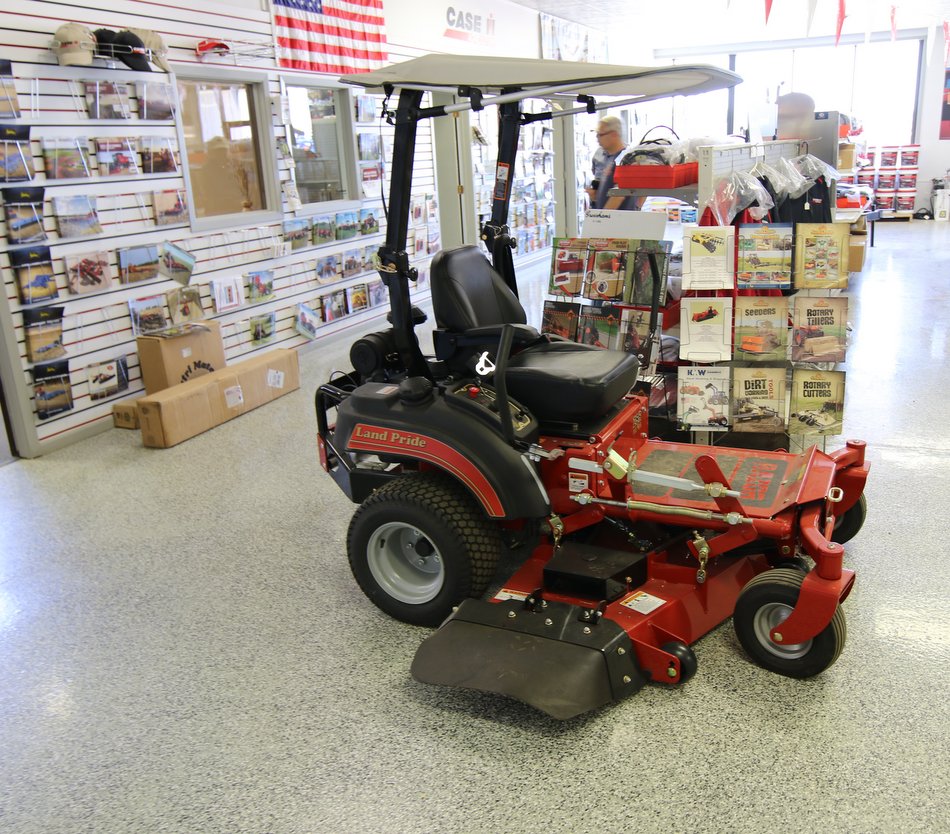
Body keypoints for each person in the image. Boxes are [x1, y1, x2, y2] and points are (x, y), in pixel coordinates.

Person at [591, 115, 634, 210]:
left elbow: (618, 196)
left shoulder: (625, 160)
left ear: (614, 134)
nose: (597, 138)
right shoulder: (611, 158)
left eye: (600, 134)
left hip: (616, 218)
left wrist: (601, 217)